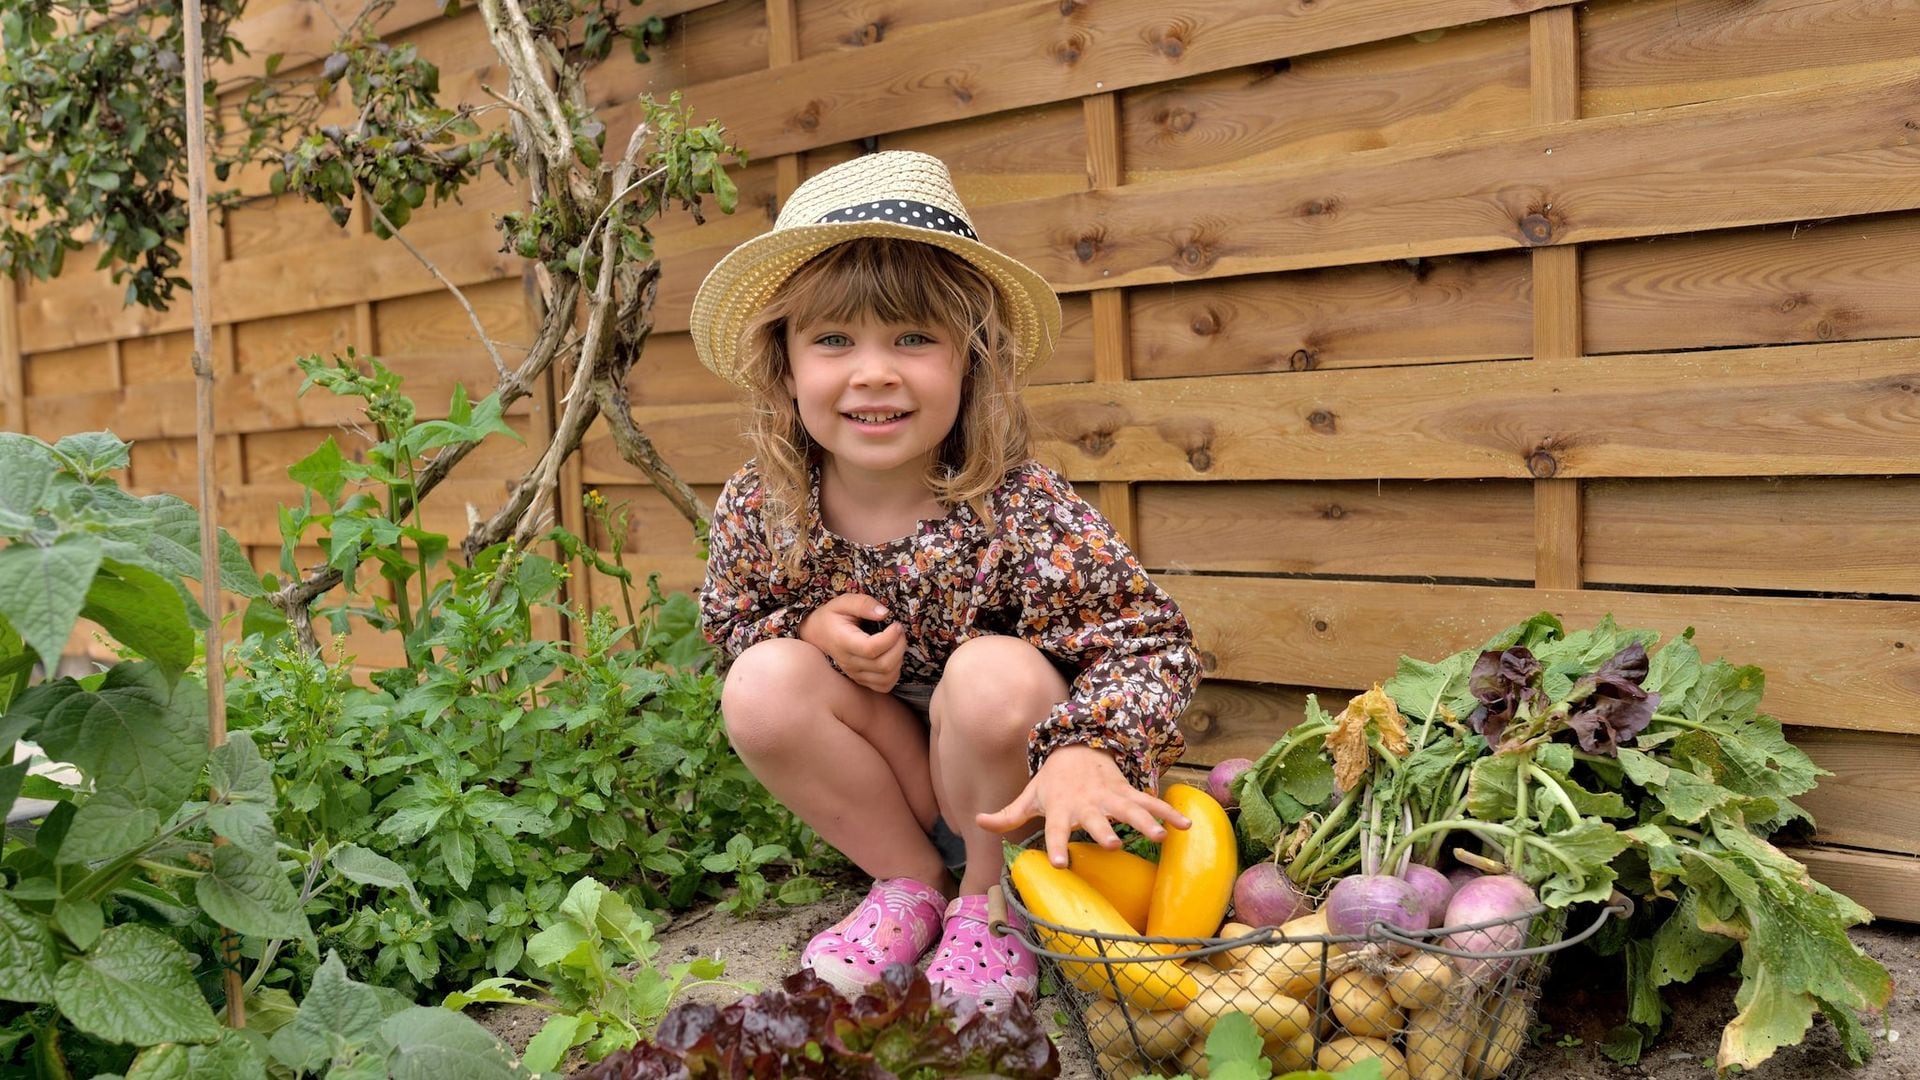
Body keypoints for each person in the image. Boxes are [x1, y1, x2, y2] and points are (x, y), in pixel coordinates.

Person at [690, 150, 1202, 1010]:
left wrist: (1088, 746)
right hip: (901, 781)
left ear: (974, 360)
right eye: (833, 340)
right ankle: (910, 883)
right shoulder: (765, 502)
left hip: (1026, 792)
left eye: (914, 338)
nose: (875, 371)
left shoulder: (1019, 504)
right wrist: (805, 628)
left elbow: (1150, 643)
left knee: (988, 669)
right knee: (761, 685)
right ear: (784, 364)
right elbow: (731, 619)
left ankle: (991, 906)